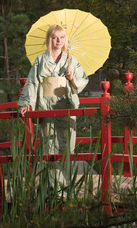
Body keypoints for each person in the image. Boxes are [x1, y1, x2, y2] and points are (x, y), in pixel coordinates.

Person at [18, 24, 89, 192]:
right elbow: (33, 82)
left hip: (65, 104)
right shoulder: (40, 60)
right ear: (49, 40)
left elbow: (83, 80)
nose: (59, 41)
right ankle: (51, 185)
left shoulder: (71, 60)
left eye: (62, 37)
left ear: (65, 40)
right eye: (55, 37)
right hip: (45, 105)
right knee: (48, 145)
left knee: (66, 145)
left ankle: (65, 186)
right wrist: (26, 104)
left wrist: (71, 78)